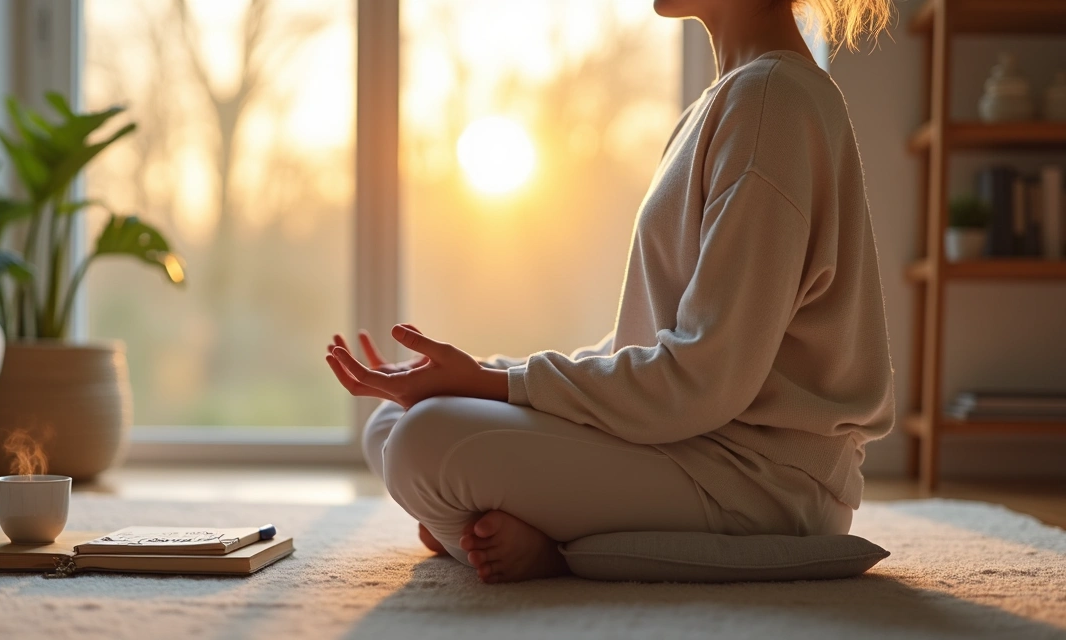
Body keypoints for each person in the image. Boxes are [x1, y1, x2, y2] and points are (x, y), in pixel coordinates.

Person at [325, 0, 896, 584]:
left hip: (758, 480)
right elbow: (652, 346)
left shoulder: (772, 102)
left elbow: (704, 379)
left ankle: (546, 549)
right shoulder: (728, 99)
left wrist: (495, 384)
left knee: (425, 443)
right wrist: (482, 375)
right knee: (392, 424)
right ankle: (495, 520)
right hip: (687, 438)